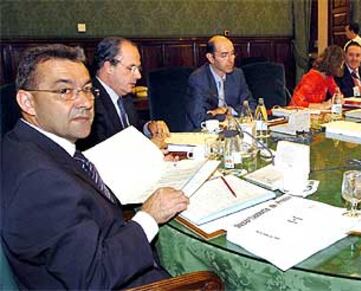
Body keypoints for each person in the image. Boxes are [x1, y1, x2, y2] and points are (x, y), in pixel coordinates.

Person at [1, 44, 189, 289]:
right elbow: (95, 277)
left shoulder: (22, 143)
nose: (85, 103)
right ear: (27, 101)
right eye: (65, 90)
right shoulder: (41, 180)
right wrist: (149, 217)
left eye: (88, 90)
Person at [77, 37, 170, 150]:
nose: (138, 76)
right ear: (109, 67)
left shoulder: (123, 95)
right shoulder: (91, 101)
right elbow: (104, 153)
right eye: (131, 68)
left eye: (138, 68)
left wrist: (149, 127)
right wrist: (149, 148)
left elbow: (130, 129)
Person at [186, 35, 254, 130]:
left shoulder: (237, 75)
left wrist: (228, 110)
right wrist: (225, 116)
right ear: (211, 58)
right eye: (224, 55)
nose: (231, 60)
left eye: (232, 54)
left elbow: (250, 105)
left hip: (232, 131)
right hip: (202, 133)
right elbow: (199, 118)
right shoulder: (198, 79)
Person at [289, 45, 345, 109]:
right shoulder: (312, 78)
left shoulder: (328, 77)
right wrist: (320, 106)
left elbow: (336, 93)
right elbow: (295, 103)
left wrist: (338, 98)